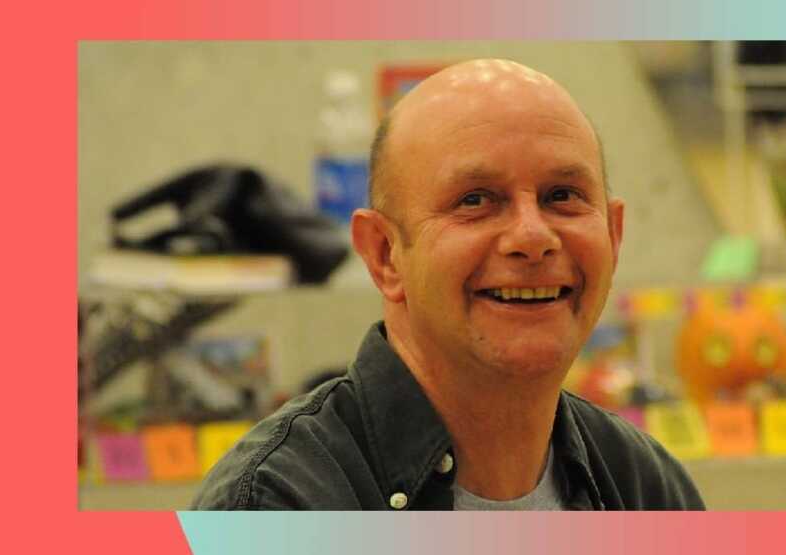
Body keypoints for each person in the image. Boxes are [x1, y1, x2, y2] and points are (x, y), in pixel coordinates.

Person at [192, 59, 704, 510]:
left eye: (562, 195)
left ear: (613, 235)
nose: (532, 237)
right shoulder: (276, 504)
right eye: (475, 200)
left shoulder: (646, 489)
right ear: (384, 254)